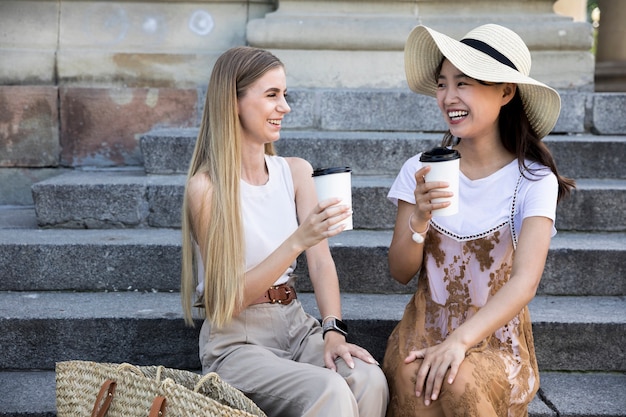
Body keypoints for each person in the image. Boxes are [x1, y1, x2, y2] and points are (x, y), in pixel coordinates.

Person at [180, 46, 388, 417]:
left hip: (295, 322)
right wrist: (296, 240)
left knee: (368, 379)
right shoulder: (207, 188)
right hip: (237, 341)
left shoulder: (294, 171)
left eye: (285, 95)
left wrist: (333, 331)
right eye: (272, 95)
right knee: (330, 391)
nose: (285, 107)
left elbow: (321, 262)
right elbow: (224, 300)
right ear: (233, 102)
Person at [382, 24, 576, 416]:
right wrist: (419, 218)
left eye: (464, 83)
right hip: (423, 326)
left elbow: (525, 281)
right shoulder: (419, 170)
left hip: (494, 338)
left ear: (506, 92)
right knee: (412, 376)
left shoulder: (533, 181)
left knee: (458, 380)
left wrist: (459, 342)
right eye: (442, 84)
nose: (448, 97)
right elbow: (399, 271)